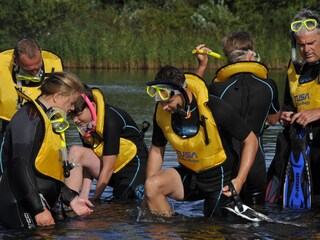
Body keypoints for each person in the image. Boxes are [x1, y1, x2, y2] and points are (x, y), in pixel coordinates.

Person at [144, 65, 258, 217]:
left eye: (169, 100)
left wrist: (240, 181)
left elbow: (251, 140)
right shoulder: (162, 112)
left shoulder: (215, 108)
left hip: (220, 181)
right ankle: (167, 231)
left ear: (184, 91)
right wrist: (148, 195)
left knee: (210, 229)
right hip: (190, 176)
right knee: (152, 186)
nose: (164, 107)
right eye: (161, 101)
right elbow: (157, 150)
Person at [194, 31, 280, 205]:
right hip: (256, 164)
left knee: (223, 222)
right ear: (251, 55)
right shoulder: (269, 86)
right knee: (256, 219)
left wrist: (202, 66)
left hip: (229, 167)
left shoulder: (217, 89)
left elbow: (192, 100)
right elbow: (273, 120)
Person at [0, 71, 93, 229]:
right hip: (18, 205)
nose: (71, 108)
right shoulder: (29, 118)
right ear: (57, 97)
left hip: (38, 204)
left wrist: (71, 198)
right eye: (71, 102)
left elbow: (45, 172)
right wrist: (38, 210)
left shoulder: (48, 119)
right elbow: (20, 165)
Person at [65, 84, 149, 202]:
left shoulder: (110, 120)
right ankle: (70, 201)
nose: (75, 120)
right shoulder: (85, 126)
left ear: (92, 106)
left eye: (78, 115)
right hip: (112, 170)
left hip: (134, 169)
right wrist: (84, 196)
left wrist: (95, 199)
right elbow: (87, 164)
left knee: (123, 205)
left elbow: (108, 167)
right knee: (76, 151)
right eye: (71, 116)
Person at [0, 38, 63, 174]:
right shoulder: (2, 68)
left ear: (40, 54)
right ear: (16, 59)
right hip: (9, 126)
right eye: (29, 70)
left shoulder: (54, 64)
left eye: (37, 67)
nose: (34, 73)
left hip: (45, 126)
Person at [280, 9, 320, 200]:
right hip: (304, 147)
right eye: (301, 45)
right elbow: (288, 105)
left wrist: (318, 112)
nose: (306, 49)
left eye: (311, 43)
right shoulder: (295, 68)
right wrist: (286, 116)